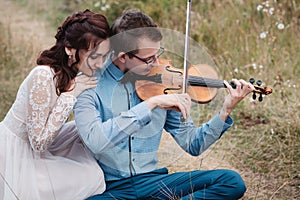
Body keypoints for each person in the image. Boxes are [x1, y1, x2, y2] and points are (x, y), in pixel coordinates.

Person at [74, 9, 254, 200]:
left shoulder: (165, 84)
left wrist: (226, 110)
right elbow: (96, 142)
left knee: (231, 181)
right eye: (149, 59)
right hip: (108, 188)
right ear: (122, 56)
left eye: (158, 54)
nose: (156, 63)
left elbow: (193, 144)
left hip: (153, 183)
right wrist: (150, 104)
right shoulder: (89, 84)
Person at [0, 9, 110, 200]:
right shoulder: (43, 76)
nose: (100, 64)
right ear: (69, 49)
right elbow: (39, 143)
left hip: (39, 143)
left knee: (84, 132)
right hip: (14, 154)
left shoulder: (76, 73)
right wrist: (71, 94)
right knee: (91, 177)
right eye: (93, 55)